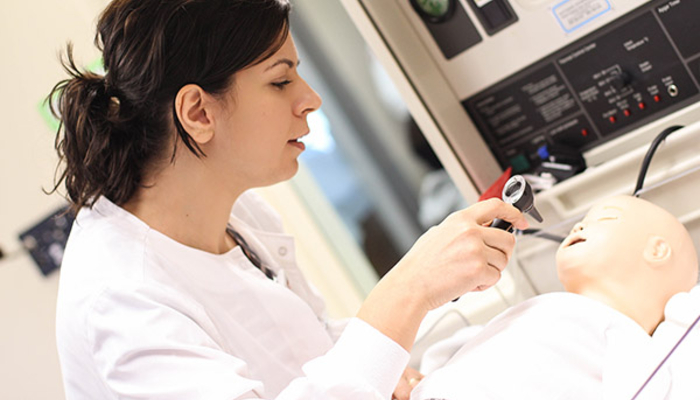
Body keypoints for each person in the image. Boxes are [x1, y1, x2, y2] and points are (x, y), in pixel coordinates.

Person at [48, 1, 529, 399]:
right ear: (198, 111)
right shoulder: (122, 302)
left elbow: (306, 349)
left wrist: (383, 367)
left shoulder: (236, 213)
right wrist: (409, 288)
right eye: (281, 81)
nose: (311, 99)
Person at [411, 194, 699, 400]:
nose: (578, 226)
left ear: (658, 251)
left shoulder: (624, 335)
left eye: (607, 218)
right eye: (582, 220)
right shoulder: (543, 307)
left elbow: (642, 388)